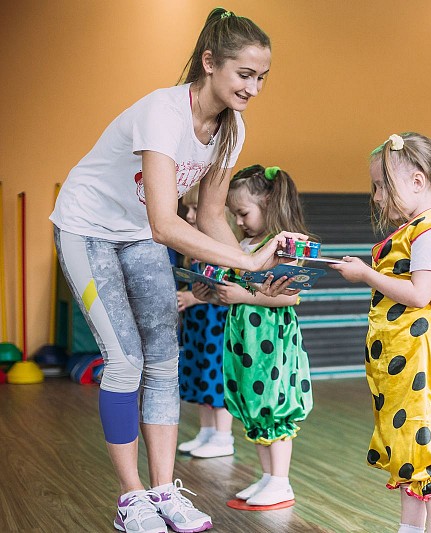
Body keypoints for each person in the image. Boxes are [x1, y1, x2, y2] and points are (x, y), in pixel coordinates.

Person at [49, 8, 305, 533]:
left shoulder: (232, 128)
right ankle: (131, 498)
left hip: (138, 233)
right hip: (87, 228)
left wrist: (257, 275)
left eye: (262, 77)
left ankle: (164, 491)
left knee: (165, 361)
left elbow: (210, 215)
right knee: (126, 362)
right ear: (210, 63)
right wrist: (247, 259)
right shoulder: (161, 113)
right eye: (244, 74)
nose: (254, 88)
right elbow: (166, 223)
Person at [331, 133, 431, 533]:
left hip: (420, 354)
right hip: (404, 355)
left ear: (417, 181)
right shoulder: (414, 230)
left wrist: (366, 274)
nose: (378, 197)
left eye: (382, 186)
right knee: (409, 442)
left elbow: (418, 294)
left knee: (429, 443)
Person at [193, 164, 314, 508]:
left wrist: (244, 295)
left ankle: (281, 481)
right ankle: (268, 477)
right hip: (246, 342)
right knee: (255, 406)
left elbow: (290, 296)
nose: (238, 221)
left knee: (274, 405)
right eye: (233, 214)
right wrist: (211, 293)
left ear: (268, 203)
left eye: (243, 213)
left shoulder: (285, 246)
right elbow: (235, 290)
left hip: (271, 341)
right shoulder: (242, 245)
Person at [175, 186, 235, 459]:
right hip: (199, 328)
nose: (189, 216)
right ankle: (207, 431)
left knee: (216, 376)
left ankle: (223, 437)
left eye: (196, 209)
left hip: (216, 328)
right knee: (200, 374)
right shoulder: (195, 252)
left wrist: (192, 298)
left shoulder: (223, 253)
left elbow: (225, 291)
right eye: (188, 209)